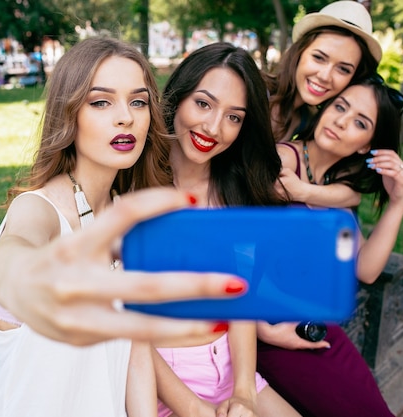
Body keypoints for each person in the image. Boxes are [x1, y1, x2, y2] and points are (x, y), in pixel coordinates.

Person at [0, 37, 248, 417]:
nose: (126, 117)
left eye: (138, 101)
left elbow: (135, 359)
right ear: (68, 112)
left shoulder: (127, 218)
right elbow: (14, 258)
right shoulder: (37, 211)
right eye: (101, 101)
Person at [152, 42, 300, 417]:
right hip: (163, 380)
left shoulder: (236, 193)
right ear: (177, 98)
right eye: (203, 103)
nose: (213, 127)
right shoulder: (134, 192)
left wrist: (245, 392)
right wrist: (191, 406)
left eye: (234, 117)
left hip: (233, 367)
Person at [257, 75, 403, 417]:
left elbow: (366, 270)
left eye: (359, 122)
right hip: (270, 333)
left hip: (318, 331)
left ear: (365, 145)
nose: (341, 121)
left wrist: (398, 202)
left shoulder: (331, 187)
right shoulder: (282, 161)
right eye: (340, 106)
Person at [265, 0, 384, 211]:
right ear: (300, 52)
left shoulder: (309, 121)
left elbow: (351, 195)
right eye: (319, 58)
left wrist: (304, 191)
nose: (325, 76)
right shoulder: (255, 95)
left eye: (343, 69)